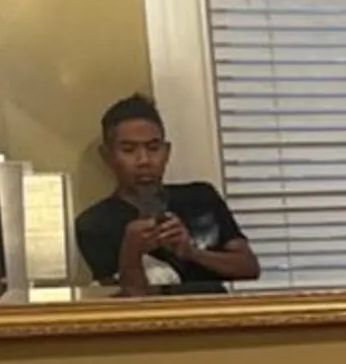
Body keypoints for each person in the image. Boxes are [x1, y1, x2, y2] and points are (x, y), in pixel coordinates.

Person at [74, 95, 261, 298]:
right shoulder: (94, 224)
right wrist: (130, 252)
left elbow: (249, 268)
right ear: (108, 156)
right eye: (128, 150)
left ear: (167, 151)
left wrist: (193, 252)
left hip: (219, 320)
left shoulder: (201, 197)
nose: (144, 160)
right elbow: (128, 302)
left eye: (153, 148)